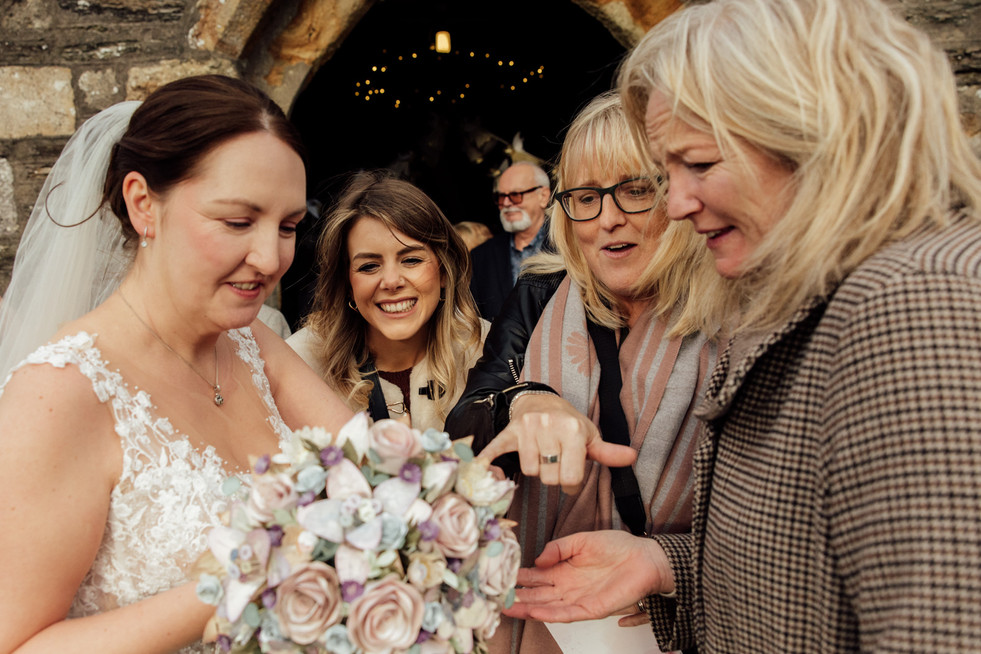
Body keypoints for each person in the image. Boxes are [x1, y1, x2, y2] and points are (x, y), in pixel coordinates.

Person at [504, 1, 981, 652]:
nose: (674, 205)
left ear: (817, 135)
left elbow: (935, 629)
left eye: (697, 164)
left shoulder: (912, 305)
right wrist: (666, 564)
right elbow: (812, 573)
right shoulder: (806, 294)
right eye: (666, 171)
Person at [0, 75, 354, 653]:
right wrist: (241, 583)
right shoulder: (61, 393)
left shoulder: (253, 345)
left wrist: (519, 405)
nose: (270, 259)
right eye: (238, 222)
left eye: (289, 227)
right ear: (144, 204)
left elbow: (388, 479)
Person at [449, 91, 726, 654]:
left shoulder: (732, 311)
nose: (608, 218)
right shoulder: (540, 292)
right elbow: (466, 418)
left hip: (698, 622)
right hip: (548, 614)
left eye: (634, 189)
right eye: (586, 197)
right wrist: (527, 401)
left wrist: (665, 565)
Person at [287, 171, 487, 432]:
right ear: (347, 284)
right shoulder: (300, 364)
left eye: (412, 260)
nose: (391, 281)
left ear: (444, 271)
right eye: (369, 266)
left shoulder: (486, 351)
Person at [469, 162, 553, 320]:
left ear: (543, 196)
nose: (507, 203)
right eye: (501, 197)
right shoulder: (481, 257)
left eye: (515, 195)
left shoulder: (570, 246)